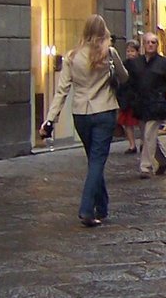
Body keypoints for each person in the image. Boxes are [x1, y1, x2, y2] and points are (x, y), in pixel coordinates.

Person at [41, 14, 128, 227]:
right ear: (103, 30)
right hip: (104, 111)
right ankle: (86, 209)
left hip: (81, 114)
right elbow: (125, 77)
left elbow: (62, 91)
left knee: (94, 160)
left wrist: (50, 120)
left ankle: (103, 206)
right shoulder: (109, 53)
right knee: (97, 161)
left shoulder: (72, 57)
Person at [127, 32, 166, 176]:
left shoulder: (164, 63)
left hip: (157, 104)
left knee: (148, 135)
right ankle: (163, 160)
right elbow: (130, 84)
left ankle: (145, 167)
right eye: (148, 42)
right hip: (141, 105)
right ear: (143, 44)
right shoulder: (136, 63)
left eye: (153, 42)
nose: (150, 45)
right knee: (148, 136)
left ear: (157, 45)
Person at [117, 40, 142, 156]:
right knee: (127, 122)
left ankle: (144, 142)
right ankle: (132, 145)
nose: (129, 53)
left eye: (132, 51)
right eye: (128, 51)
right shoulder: (124, 64)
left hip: (138, 96)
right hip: (127, 96)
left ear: (137, 52)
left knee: (141, 123)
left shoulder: (142, 63)